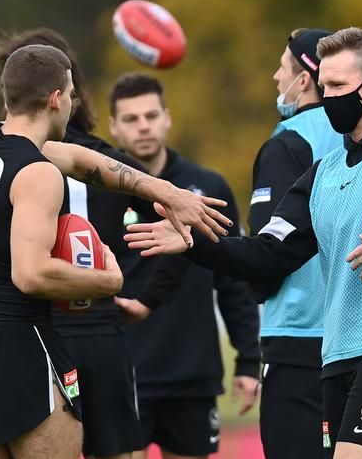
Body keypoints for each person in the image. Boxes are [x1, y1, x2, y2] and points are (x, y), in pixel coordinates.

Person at [125, 27, 362, 459]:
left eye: (339, 86)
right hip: (336, 355)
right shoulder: (322, 173)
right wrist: (195, 243)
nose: (328, 97)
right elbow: (269, 255)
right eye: (325, 85)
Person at [0, 45, 125, 458]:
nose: (72, 102)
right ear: (55, 99)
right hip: (14, 342)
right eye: (70, 93)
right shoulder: (39, 174)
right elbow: (31, 275)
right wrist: (108, 281)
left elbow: (71, 156)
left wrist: (162, 190)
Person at [0, 26, 158, 459]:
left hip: (36, 328)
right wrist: (142, 295)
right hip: (91, 327)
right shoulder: (111, 160)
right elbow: (164, 227)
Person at [109, 73, 261, 459]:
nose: (143, 126)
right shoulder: (99, 190)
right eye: (130, 119)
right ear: (113, 126)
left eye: (150, 115)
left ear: (167, 118)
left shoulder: (207, 188)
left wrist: (247, 358)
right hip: (122, 372)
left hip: (191, 373)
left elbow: (234, 280)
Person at [248, 27, 340, 458]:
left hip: (299, 333)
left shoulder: (288, 141)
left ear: (304, 79)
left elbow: (269, 252)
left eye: (282, 68)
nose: (274, 76)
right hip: (358, 333)